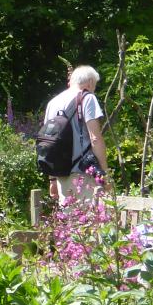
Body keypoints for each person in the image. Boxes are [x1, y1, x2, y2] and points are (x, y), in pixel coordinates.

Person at [44, 65, 109, 203]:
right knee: (90, 221)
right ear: (90, 82)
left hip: (61, 174)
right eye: (95, 86)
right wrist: (104, 174)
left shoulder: (52, 103)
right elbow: (95, 138)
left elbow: (48, 143)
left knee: (69, 222)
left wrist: (52, 179)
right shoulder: (88, 98)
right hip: (84, 174)